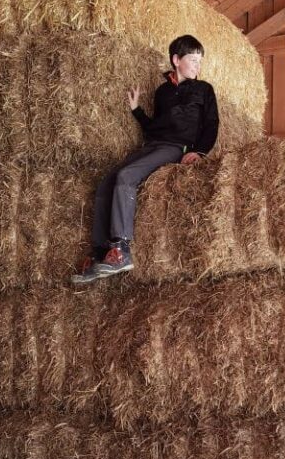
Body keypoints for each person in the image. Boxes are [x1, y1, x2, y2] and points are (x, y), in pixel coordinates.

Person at [72, 34, 219, 284]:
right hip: (154, 145)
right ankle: (100, 253)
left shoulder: (204, 89)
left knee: (126, 177)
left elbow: (212, 124)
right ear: (176, 60)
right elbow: (154, 128)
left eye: (199, 61)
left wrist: (199, 152)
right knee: (106, 183)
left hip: (178, 148)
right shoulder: (163, 92)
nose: (198, 65)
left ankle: (121, 249)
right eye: (193, 60)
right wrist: (137, 110)